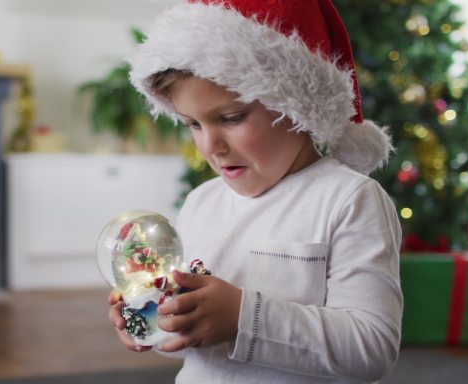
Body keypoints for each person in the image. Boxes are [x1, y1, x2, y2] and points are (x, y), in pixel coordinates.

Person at [107, 0, 403, 382]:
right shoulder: (201, 202)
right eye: (192, 124)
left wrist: (244, 318)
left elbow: (372, 349)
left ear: (297, 104)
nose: (210, 145)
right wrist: (152, 314)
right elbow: (191, 330)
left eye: (231, 118)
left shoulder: (348, 200)